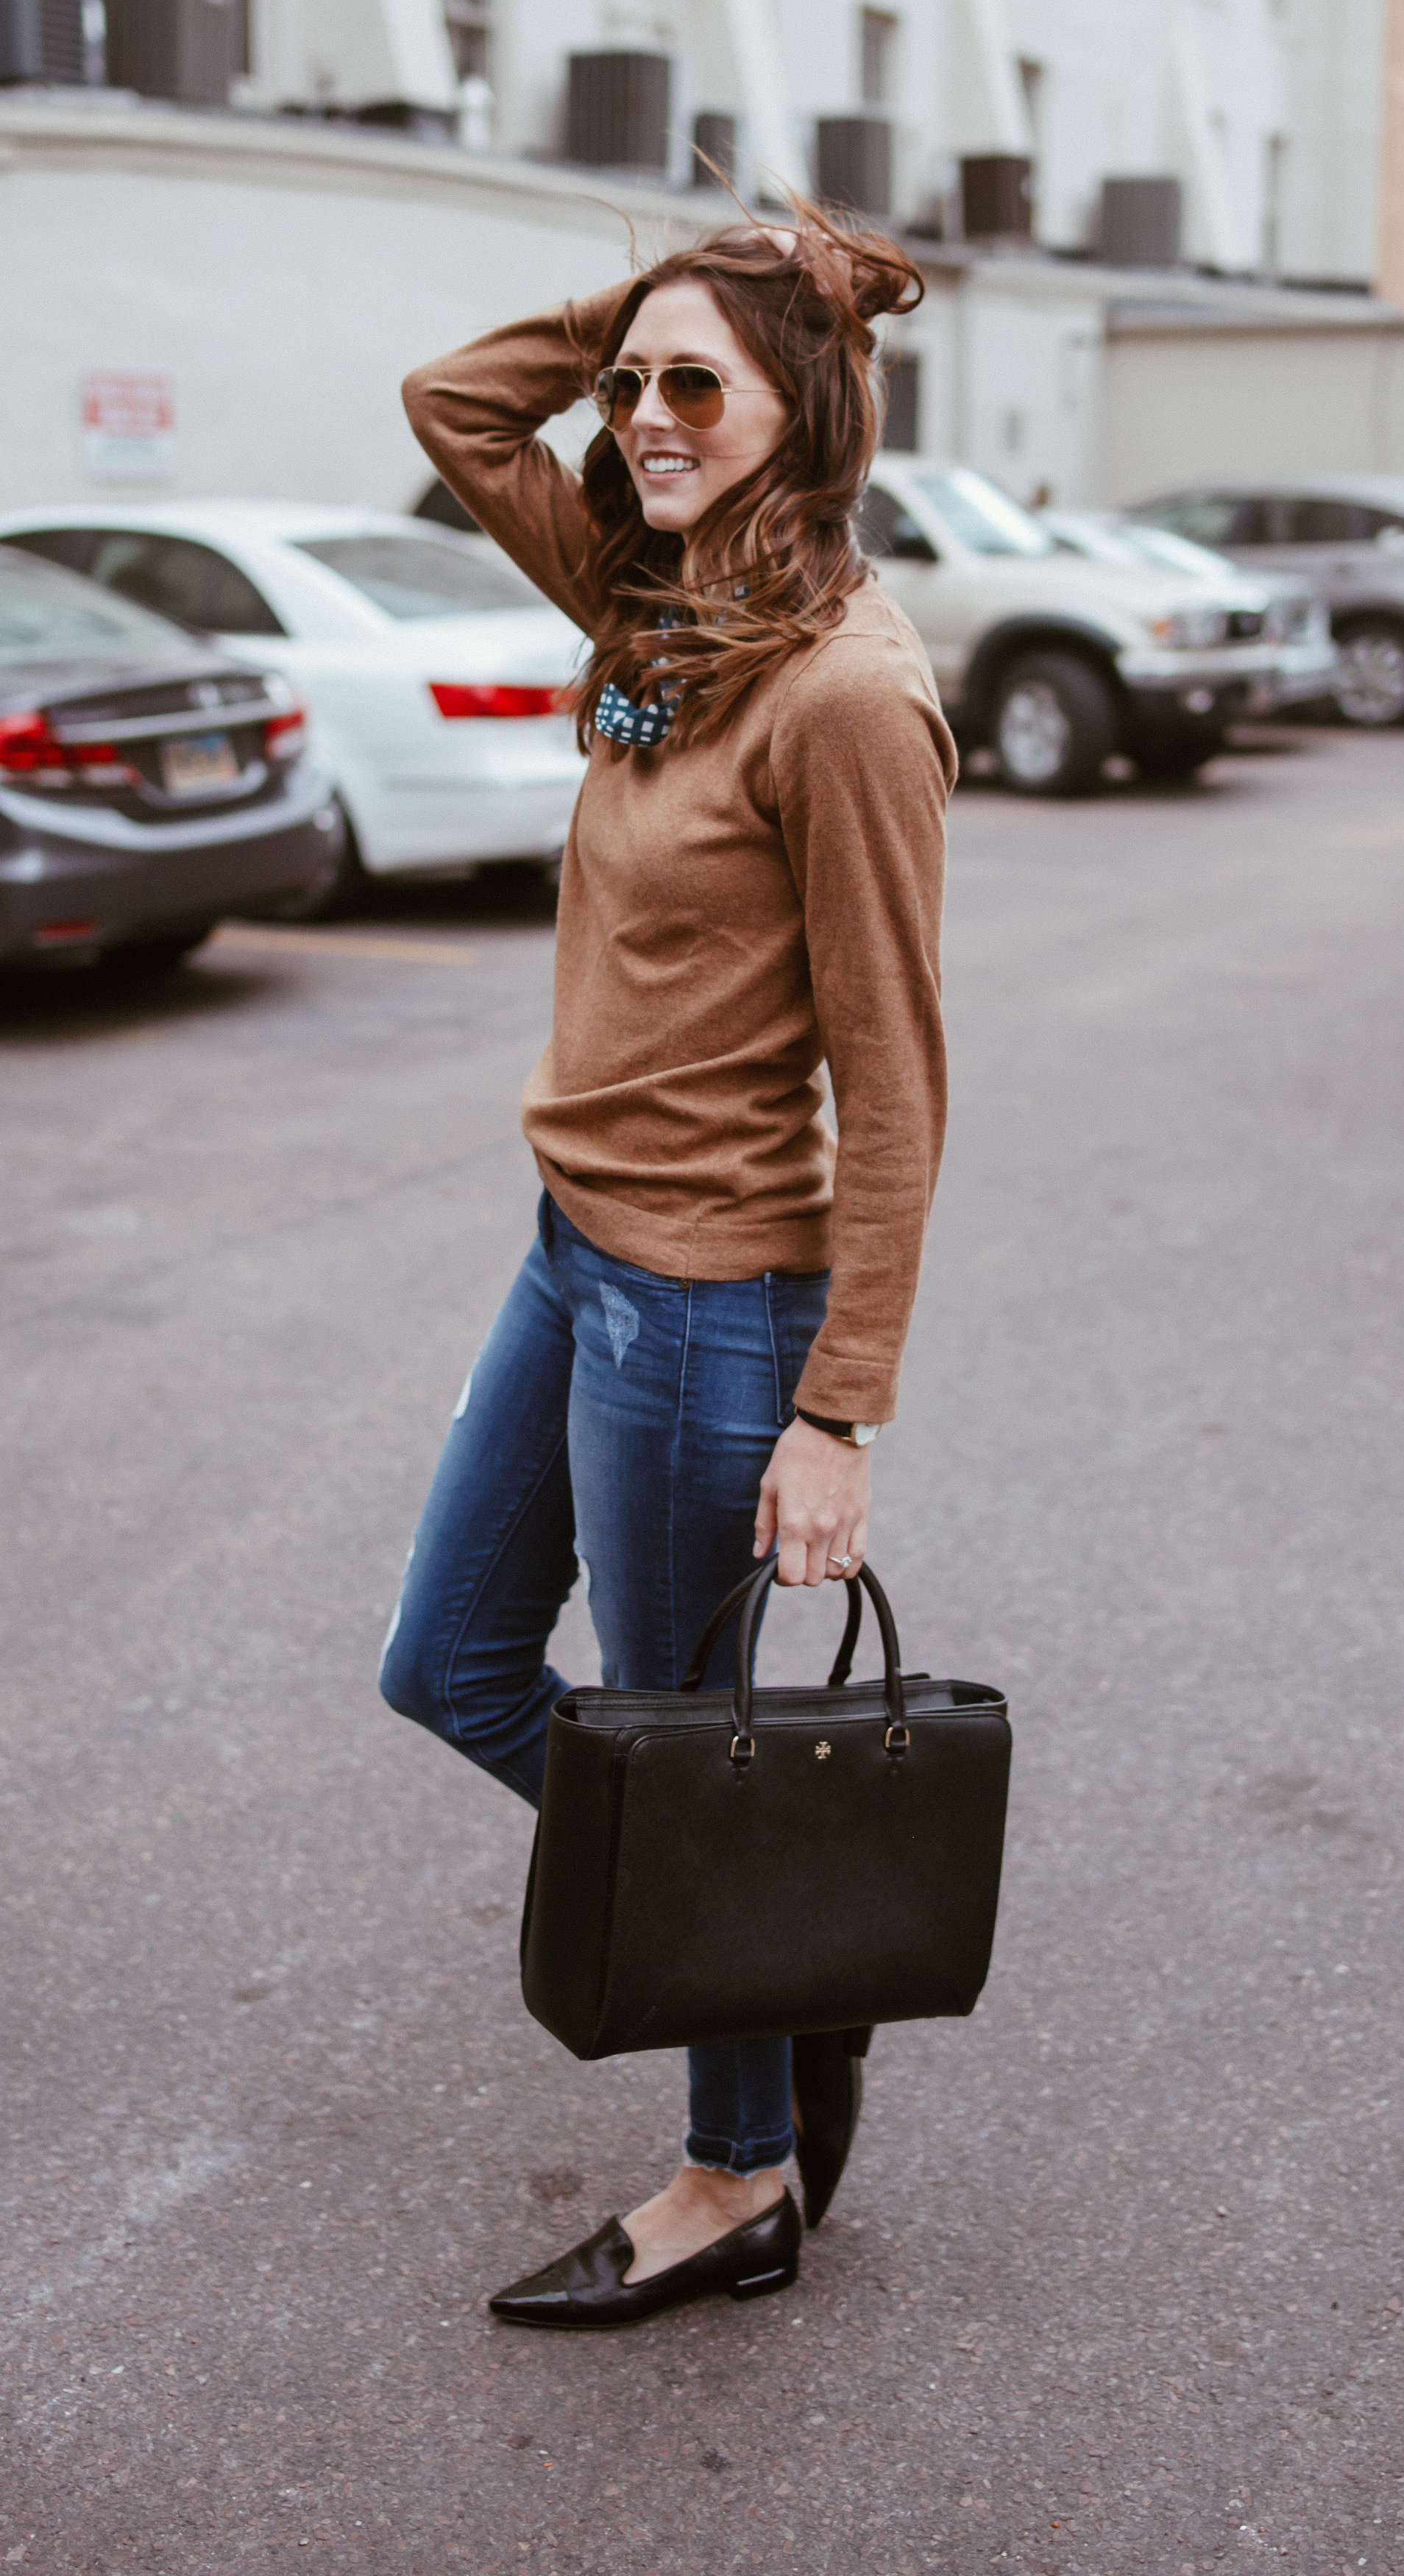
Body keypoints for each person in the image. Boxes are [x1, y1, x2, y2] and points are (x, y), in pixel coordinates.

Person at [380, 202, 955, 2330]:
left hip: (714, 1309)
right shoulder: (658, 607)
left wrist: (839, 1412)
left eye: (691, 384)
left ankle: (740, 2177)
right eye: (626, 386)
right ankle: (781, 1944)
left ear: (807, 410)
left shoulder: (846, 699)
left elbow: (896, 1086)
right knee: (447, 1670)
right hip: (577, 1254)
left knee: (672, 1741)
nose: (635, 418)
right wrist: (637, 305)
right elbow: (455, 407)